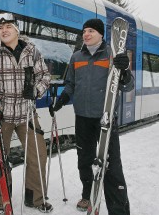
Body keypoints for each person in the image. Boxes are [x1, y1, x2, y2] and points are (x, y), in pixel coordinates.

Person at [0, 12, 52, 214]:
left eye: (8, 26)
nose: (4, 30)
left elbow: (45, 76)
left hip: (27, 114)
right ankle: (2, 201)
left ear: (17, 29)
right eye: (0, 27)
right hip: (1, 116)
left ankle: (36, 198)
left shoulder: (31, 51)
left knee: (38, 156)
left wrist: (37, 90)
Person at [50, 18, 133, 215]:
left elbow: (126, 86)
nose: (86, 34)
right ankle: (88, 194)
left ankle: (118, 209)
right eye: (84, 31)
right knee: (84, 160)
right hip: (83, 117)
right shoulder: (77, 56)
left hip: (105, 119)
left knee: (112, 165)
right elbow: (70, 83)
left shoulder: (113, 55)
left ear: (101, 34)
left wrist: (125, 71)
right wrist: (62, 99)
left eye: (90, 31)